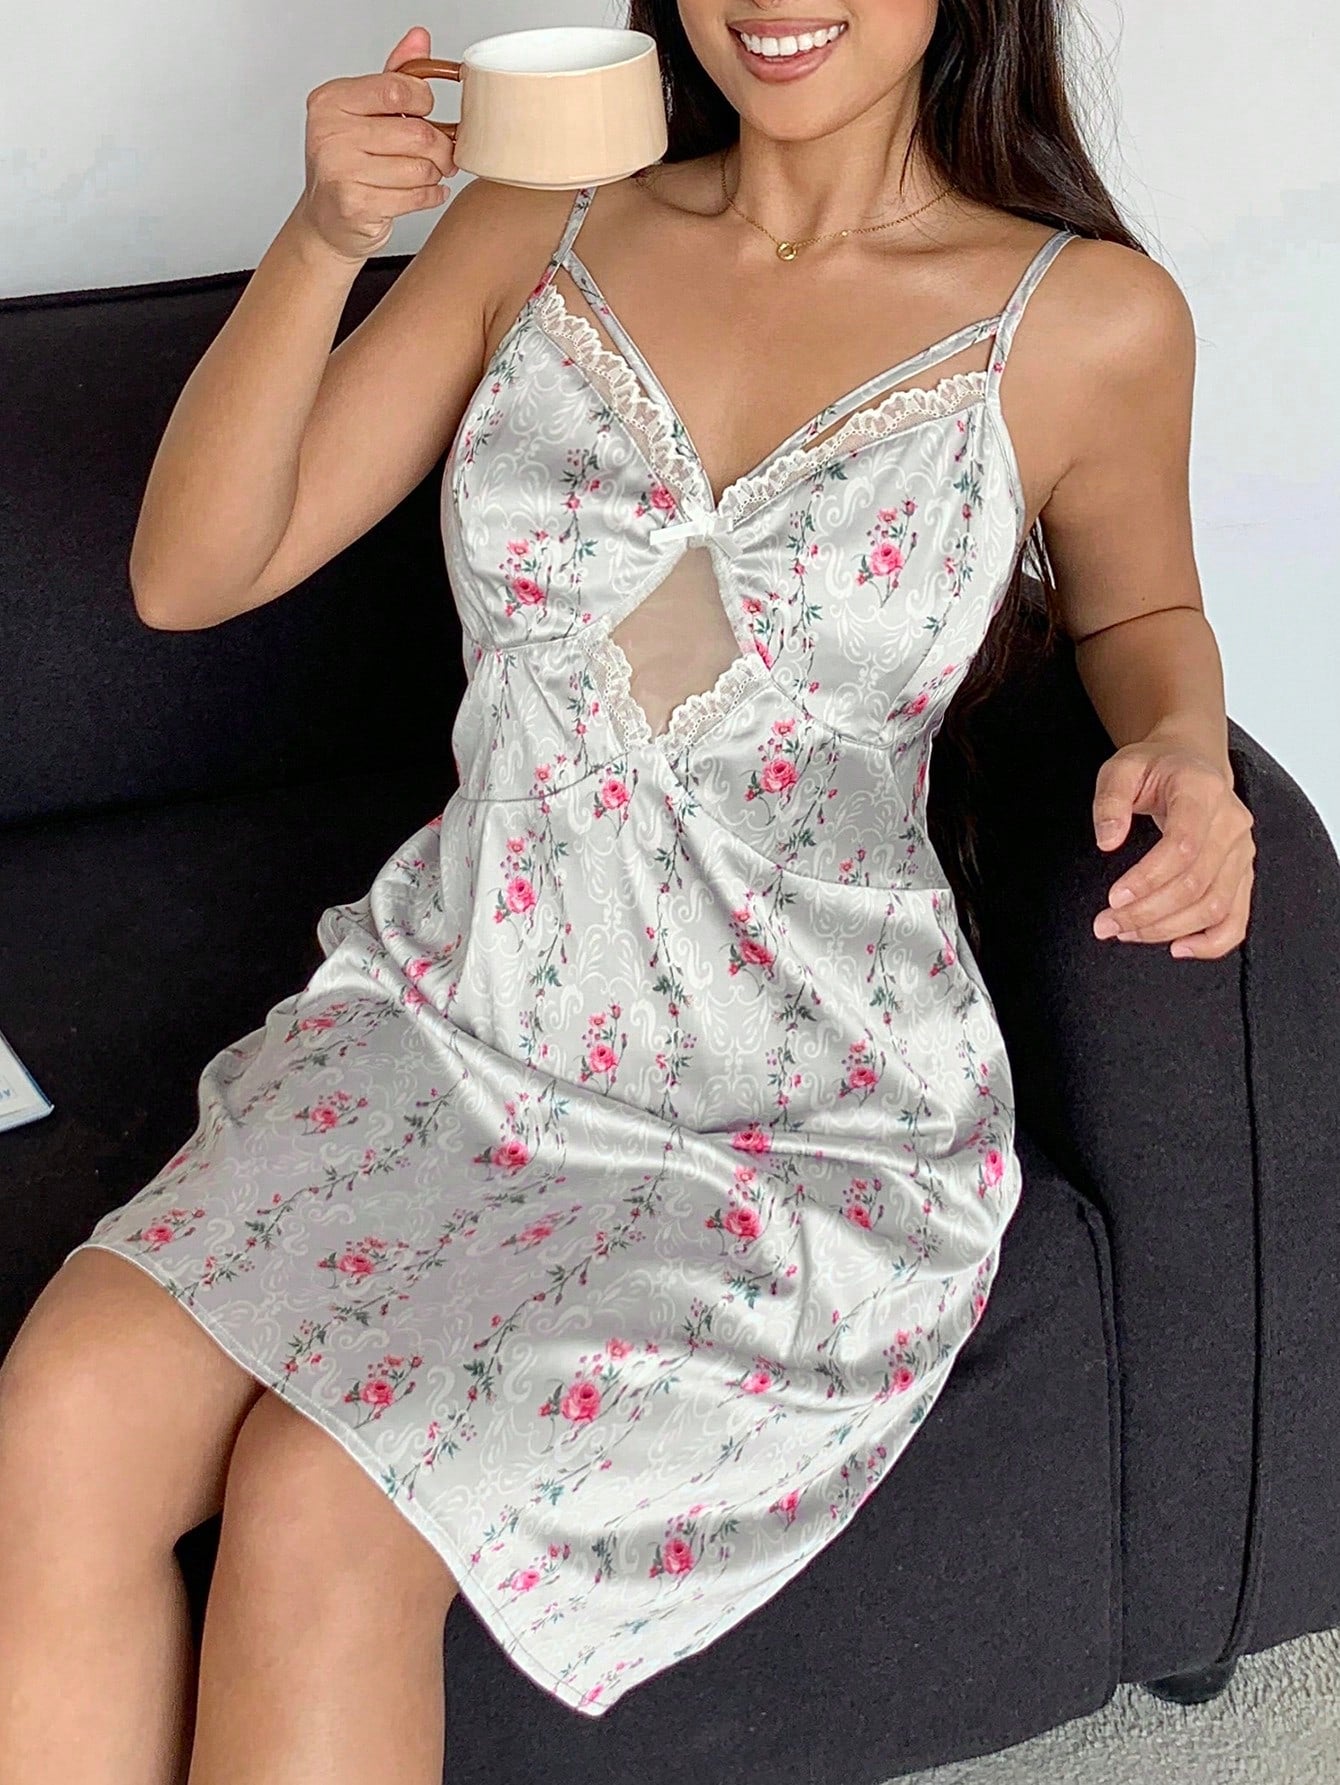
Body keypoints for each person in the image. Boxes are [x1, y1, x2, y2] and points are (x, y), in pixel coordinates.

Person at [0, 2, 1256, 1779]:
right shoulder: (541, 221)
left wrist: (1183, 745)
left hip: (794, 1108)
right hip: (457, 1018)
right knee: (62, 1407)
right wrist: (328, 237)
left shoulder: (1087, 321)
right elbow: (192, 573)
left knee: (328, 1488)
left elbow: (1142, 610)